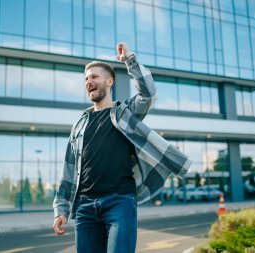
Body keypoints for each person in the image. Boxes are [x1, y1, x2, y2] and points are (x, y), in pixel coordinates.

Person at [53, 42, 192, 253]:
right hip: (85, 207)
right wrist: (61, 210)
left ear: (109, 82)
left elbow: (148, 94)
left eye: (94, 77)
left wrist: (130, 60)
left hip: (119, 202)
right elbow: (68, 172)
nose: (89, 81)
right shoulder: (79, 125)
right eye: (86, 78)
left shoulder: (124, 112)